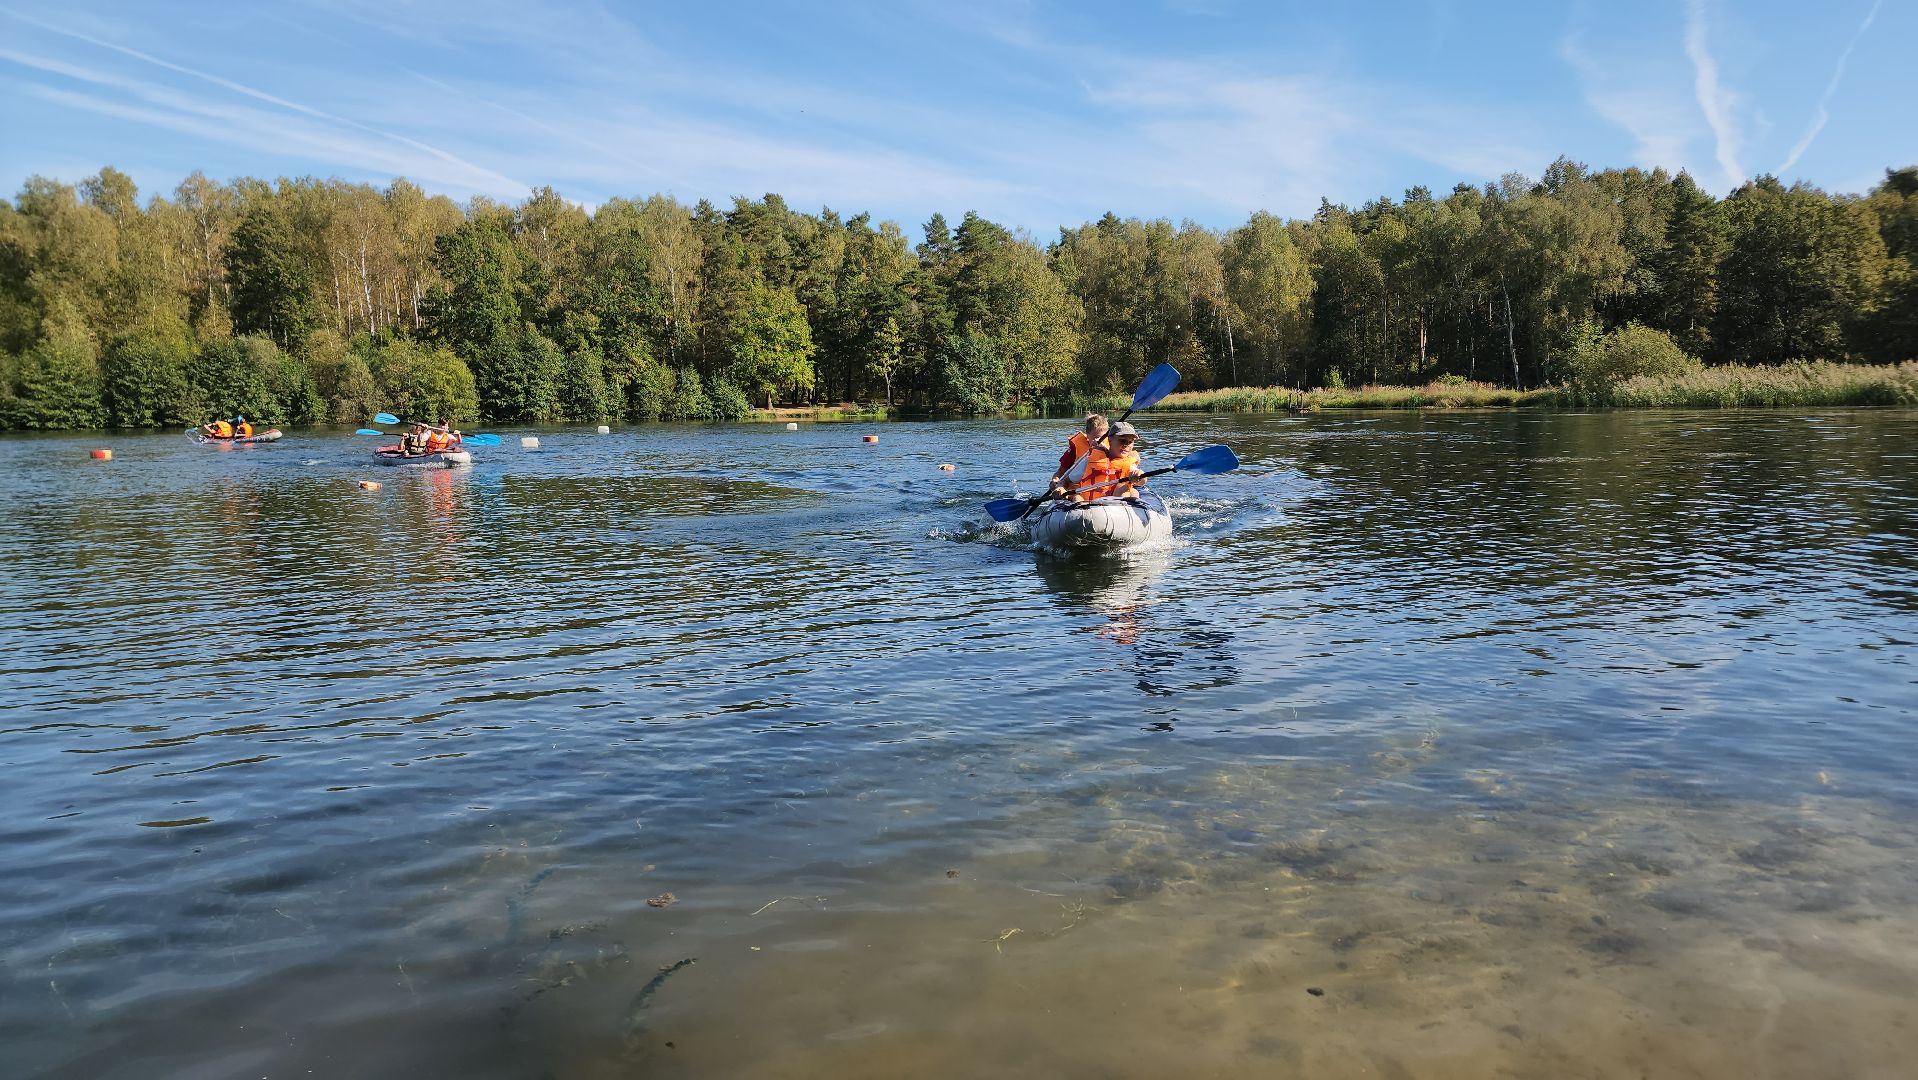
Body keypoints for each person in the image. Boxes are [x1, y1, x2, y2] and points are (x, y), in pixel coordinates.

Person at [1070, 420, 1145, 502]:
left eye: (1130, 442)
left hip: (1117, 507)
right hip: (1090, 506)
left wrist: (1140, 475)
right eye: (1122, 440)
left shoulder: (1130, 464)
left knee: (1124, 488)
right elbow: (1070, 479)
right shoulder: (1089, 459)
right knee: (1077, 498)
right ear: (1110, 440)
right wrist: (1061, 487)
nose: (1126, 445)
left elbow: (1142, 481)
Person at [1048, 414, 1108, 497]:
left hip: (1102, 489)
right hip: (1077, 490)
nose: (1098, 441)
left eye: (1102, 438)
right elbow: (1061, 471)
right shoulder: (1075, 449)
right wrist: (1055, 480)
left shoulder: (1112, 447)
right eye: (1095, 437)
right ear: (1087, 435)